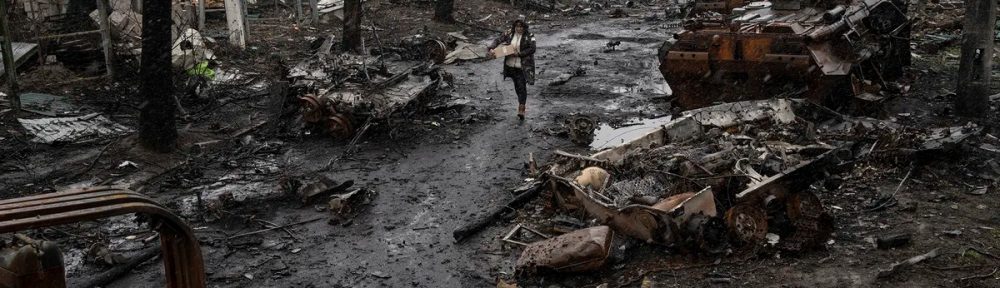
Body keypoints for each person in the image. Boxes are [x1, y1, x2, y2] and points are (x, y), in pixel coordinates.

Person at [488, 19, 536, 120]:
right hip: (510, 65)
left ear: (524, 27)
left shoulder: (529, 36)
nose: (519, 29)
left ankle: (521, 108)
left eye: (521, 27)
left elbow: (532, 48)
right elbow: (498, 40)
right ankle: (521, 102)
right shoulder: (509, 33)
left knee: (522, 85)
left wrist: (519, 54)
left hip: (523, 66)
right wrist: (492, 48)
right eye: (517, 26)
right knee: (517, 86)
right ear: (514, 26)